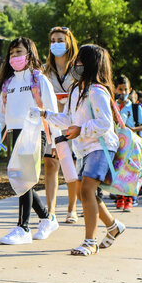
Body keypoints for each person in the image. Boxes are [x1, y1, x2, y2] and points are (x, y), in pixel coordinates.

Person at [37, 44, 126, 256]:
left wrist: (81, 129)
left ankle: (90, 241)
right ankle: (113, 226)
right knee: (82, 191)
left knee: (86, 190)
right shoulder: (76, 90)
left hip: (101, 146)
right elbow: (69, 119)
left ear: (89, 64)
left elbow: (105, 123)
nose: (74, 64)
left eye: (78, 61)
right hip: (84, 148)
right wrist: (44, 114)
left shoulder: (97, 92)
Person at [0, 37, 63, 245]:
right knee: (21, 178)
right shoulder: (9, 83)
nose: (14, 57)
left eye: (19, 52)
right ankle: (47, 217)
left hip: (35, 132)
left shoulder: (39, 80)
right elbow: (0, 114)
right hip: (16, 133)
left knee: (23, 177)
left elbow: (52, 111)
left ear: (30, 54)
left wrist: (57, 142)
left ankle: (23, 228)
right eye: (11, 53)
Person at [43, 26, 84, 224]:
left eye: (60, 40)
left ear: (69, 42)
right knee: (51, 164)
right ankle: (50, 211)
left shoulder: (78, 68)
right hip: (51, 123)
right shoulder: (44, 70)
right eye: (52, 41)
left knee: (72, 167)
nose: (56, 44)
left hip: (72, 122)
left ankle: (72, 207)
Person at [112, 75, 142, 211]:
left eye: (126, 89)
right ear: (115, 89)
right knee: (118, 171)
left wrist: (132, 129)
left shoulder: (134, 108)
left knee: (131, 171)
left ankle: (130, 199)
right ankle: (120, 197)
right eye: (120, 89)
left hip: (132, 145)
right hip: (117, 144)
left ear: (130, 90)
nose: (123, 92)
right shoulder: (113, 106)